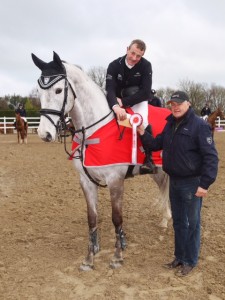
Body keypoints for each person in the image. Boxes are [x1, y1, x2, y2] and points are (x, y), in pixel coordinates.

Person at [137, 91, 218, 276]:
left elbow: (211, 157)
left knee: (192, 224)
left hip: (192, 182)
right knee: (179, 222)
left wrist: (205, 184)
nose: (175, 106)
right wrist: (142, 132)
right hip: (174, 181)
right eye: (172, 104)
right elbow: (157, 144)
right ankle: (179, 257)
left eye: (179, 103)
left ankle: (190, 261)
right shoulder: (170, 123)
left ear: (188, 104)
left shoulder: (199, 126)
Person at [105, 39, 154, 173]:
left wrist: (124, 102)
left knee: (142, 122)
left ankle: (148, 159)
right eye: (132, 53)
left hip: (137, 98)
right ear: (127, 49)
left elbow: (145, 92)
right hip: (116, 98)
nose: (134, 58)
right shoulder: (114, 65)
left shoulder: (146, 65)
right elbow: (109, 88)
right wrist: (115, 105)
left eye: (138, 56)